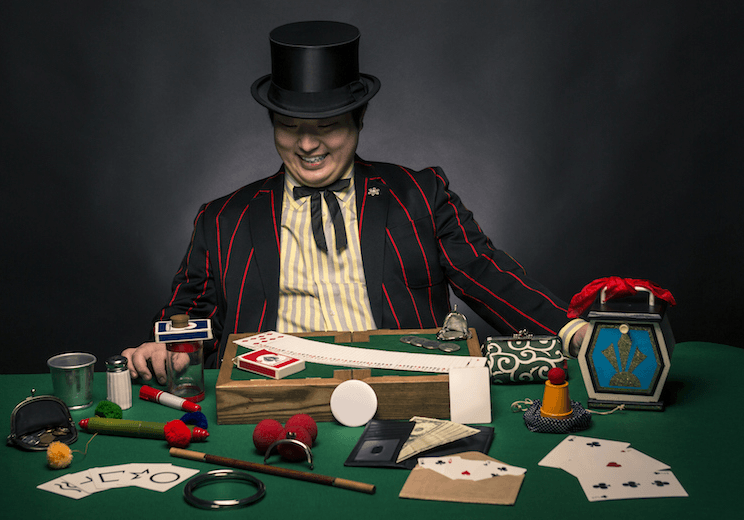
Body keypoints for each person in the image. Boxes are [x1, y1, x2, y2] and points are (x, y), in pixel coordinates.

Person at [122, 21, 587, 384]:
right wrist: (167, 350)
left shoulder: (421, 194)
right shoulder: (221, 218)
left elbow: (486, 274)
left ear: (359, 119)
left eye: (327, 126)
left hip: (403, 389)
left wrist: (574, 332)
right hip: (267, 399)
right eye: (289, 125)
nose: (307, 145)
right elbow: (190, 312)